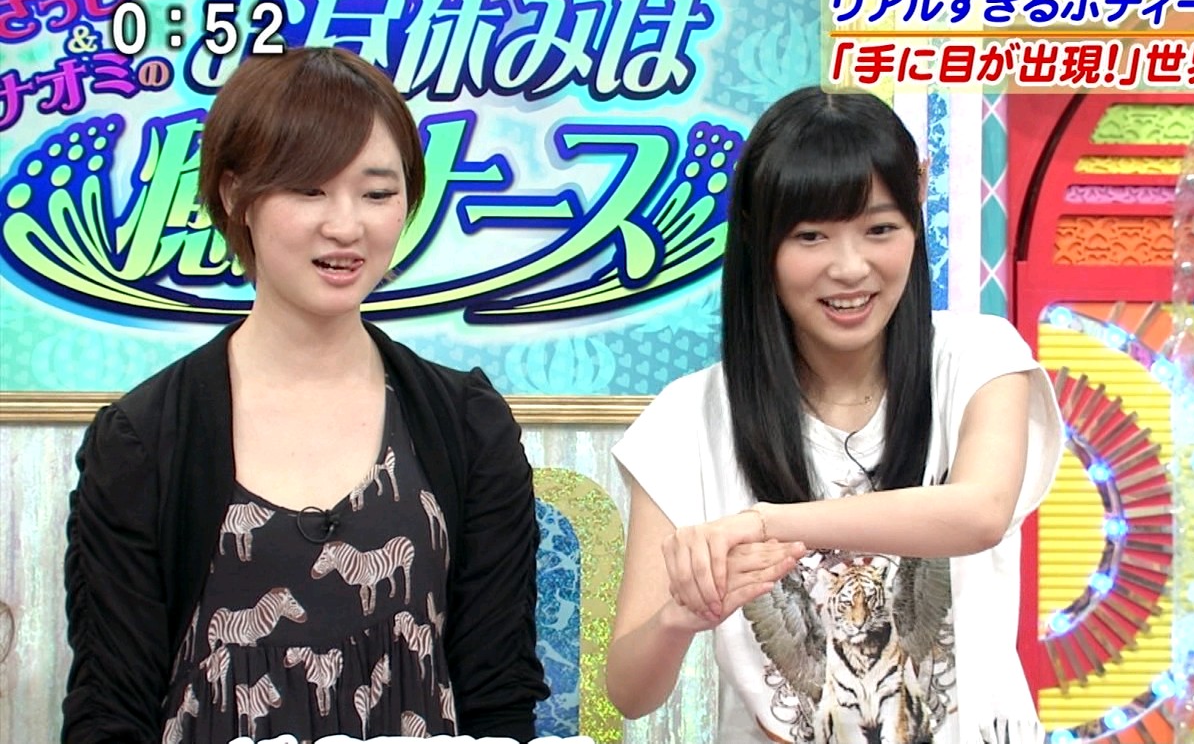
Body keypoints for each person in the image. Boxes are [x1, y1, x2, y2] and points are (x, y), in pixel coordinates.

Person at [62, 46, 548, 743]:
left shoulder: (467, 426)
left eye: (377, 193)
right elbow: (109, 710)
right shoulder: (141, 440)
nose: (346, 226)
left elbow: (500, 699)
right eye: (309, 189)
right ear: (236, 195)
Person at [606, 86, 1063, 744]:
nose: (850, 269)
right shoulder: (686, 419)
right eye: (811, 236)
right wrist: (679, 616)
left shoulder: (980, 357)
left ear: (917, 209)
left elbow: (981, 511)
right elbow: (630, 690)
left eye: (880, 229)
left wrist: (766, 523)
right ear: (760, 236)